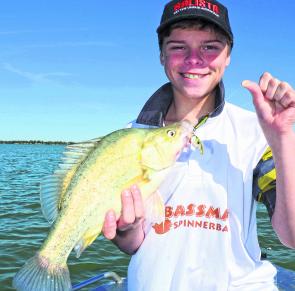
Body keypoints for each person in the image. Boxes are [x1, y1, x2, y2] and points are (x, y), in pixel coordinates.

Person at [102, 0, 295, 290]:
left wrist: (281, 137)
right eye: (178, 47)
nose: (195, 60)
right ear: (161, 55)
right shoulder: (128, 138)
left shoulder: (256, 133)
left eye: (210, 47)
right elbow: (133, 242)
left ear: (228, 56)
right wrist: (126, 229)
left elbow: (291, 236)